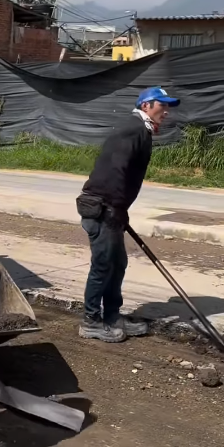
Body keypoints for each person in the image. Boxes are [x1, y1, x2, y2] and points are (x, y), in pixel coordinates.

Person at [75, 86, 180, 343]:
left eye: (167, 107)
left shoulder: (140, 130)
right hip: (103, 207)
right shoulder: (133, 128)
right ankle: (90, 321)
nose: (165, 111)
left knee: (117, 264)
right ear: (146, 105)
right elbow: (115, 170)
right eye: (161, 105)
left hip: (112, 207)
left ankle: (112, 316)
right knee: (103, 266)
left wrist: (121, 211)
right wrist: (115, 209)